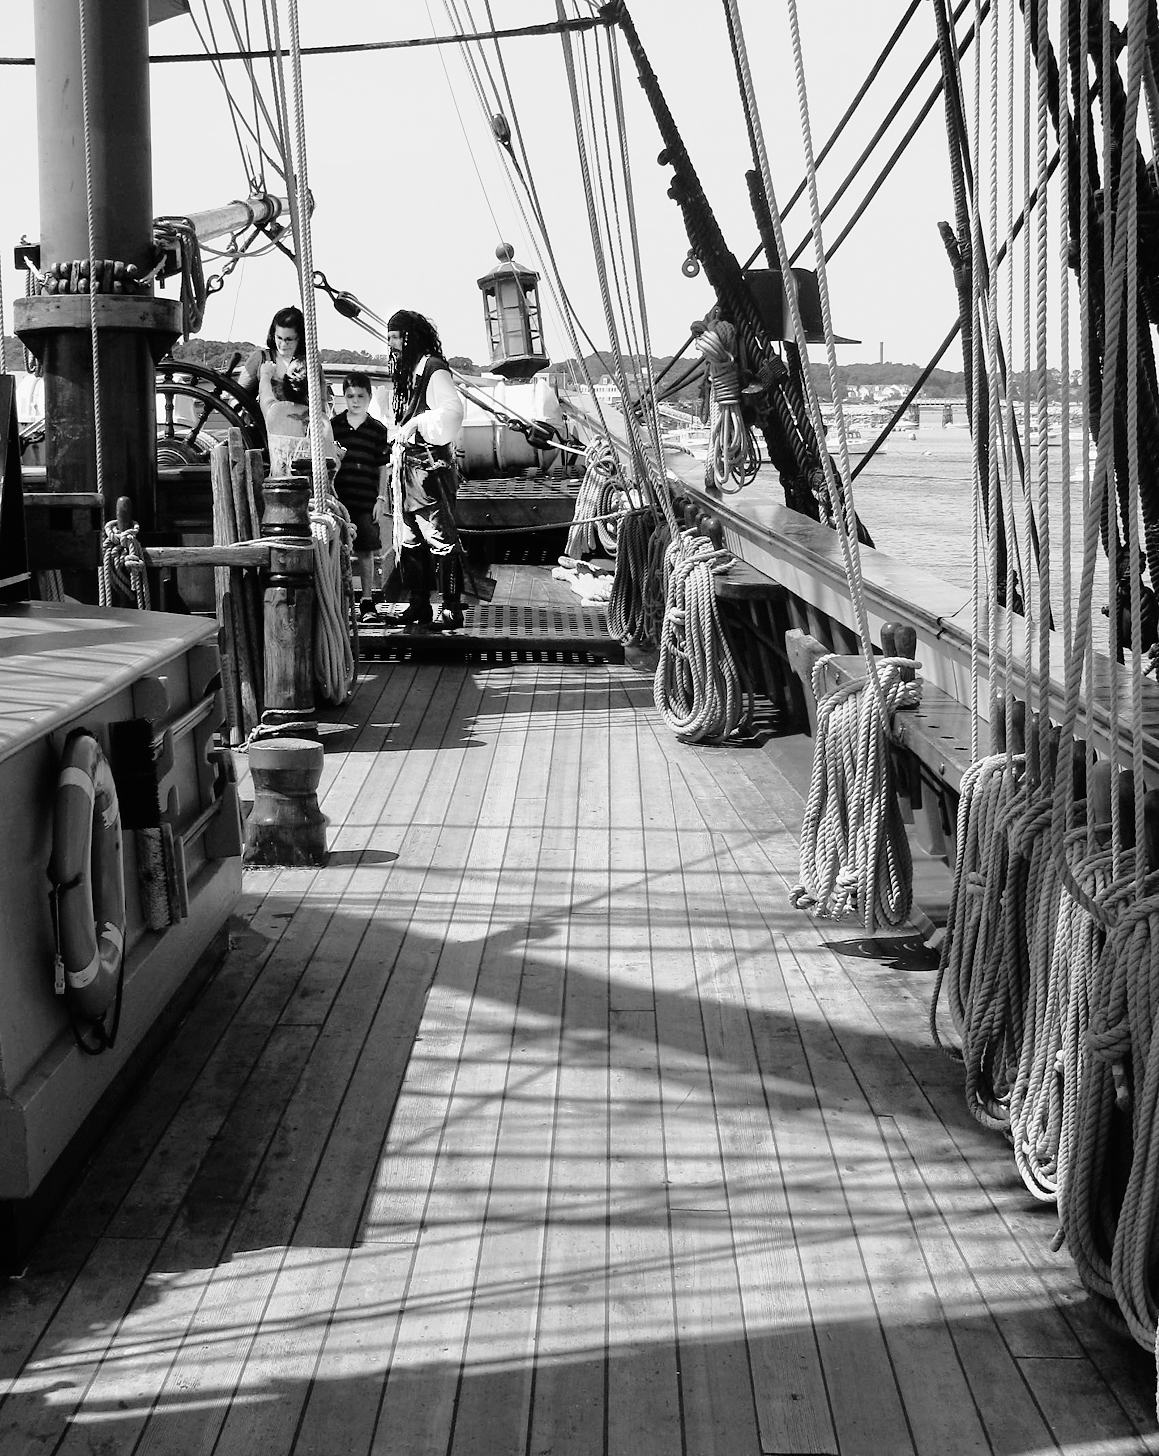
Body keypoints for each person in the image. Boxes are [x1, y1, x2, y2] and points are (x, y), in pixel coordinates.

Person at [385, 309, 466, 629]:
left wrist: (419, 422)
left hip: (428, 467)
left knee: (439, 535)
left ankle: (450, 607)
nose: (390, 344)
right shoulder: (406, 371)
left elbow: (452, 411)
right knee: (410, 537)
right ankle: (419, 603)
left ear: (409, 337)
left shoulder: (433, 370)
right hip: (407, 467)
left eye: (395, 337)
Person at [239, 306, 334, 476]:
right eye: (279, 338)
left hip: (301, 443)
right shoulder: (260, 359)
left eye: (289, 339)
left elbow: (321, 406)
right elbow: (236, 396)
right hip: (261, 440)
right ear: (272, 335)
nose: (283, 344)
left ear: (300, 338)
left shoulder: (310, 364)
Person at [331, 371, 391, 619]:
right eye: (350, 396)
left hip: (366, 500)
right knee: (337, 550)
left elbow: (382, 467)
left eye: (360, 396)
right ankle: (340, 601)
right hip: (339, 500)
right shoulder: (333, 428)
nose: (355, 400)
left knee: (366, 551)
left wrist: (381, 498)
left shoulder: (378, 430)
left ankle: (367, 601)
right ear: (345, 397)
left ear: (368, 397)